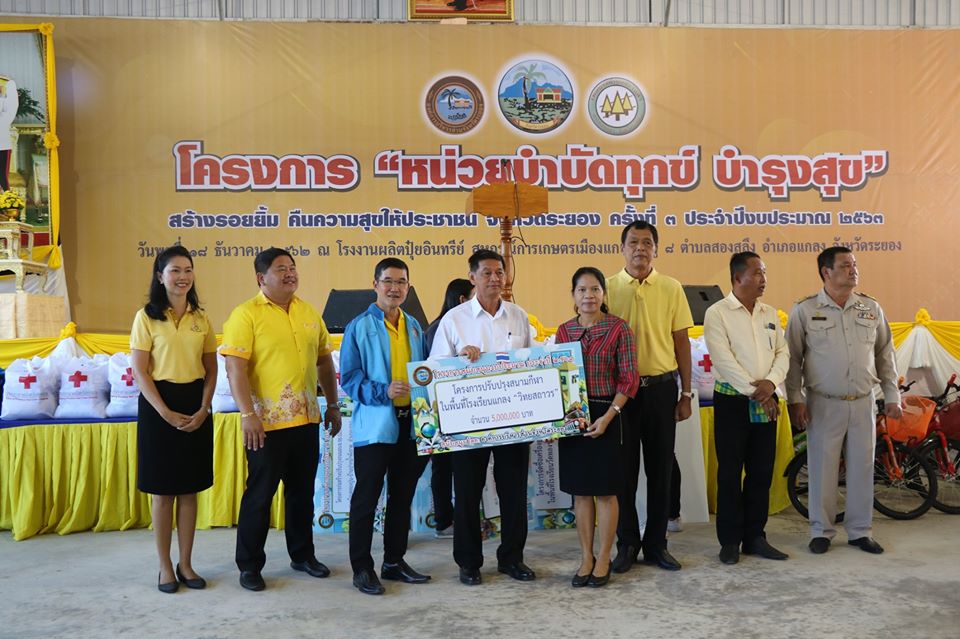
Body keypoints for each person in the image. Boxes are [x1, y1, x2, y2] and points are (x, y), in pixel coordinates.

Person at [222, 247, 342, 591]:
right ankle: (249, 565)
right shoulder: (245, 314)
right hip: (265, 425)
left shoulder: (308, 312)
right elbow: (235, 368)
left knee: (302, 494)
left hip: (306, 420)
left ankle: (302, 555)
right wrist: (248, 414)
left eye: (292, 267)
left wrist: (333, 404)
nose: (290, 273)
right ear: (262, 278)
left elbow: (324, 361)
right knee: (260, 496)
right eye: (280, 269)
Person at [429, 249, 535, 586]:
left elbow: (534, 364)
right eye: (486, 273)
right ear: (472, 277)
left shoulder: (519, 316)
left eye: (499, 272)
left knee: (514, 492)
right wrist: (459, 360)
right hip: (468, 425)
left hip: (513, 419)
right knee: (467, 492)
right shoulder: (454, 319)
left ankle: (512, 558)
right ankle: (469, 562)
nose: (494, 278)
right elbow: (433, 370)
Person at [786, 247, 901, 556]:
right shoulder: (805, 310)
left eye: (855, 265)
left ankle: (860, 531)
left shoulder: (871, 307)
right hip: (823, 403)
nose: (853, 270)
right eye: (846, 266)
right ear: (827, 272)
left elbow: (885, 354)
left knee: (862, 468)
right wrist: (795, 400)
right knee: (822, 469)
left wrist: (892, 395)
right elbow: (793, 360)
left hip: (863, 401)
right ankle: (821, 531)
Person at [340, 258, 432, 596]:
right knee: (366, 498)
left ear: (408, 287)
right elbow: (349, 379)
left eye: (401, 282)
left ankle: (394, 561)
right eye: (388, 281)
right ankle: (362, 568)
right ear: (375, 284)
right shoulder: (358, 326)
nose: (395, 288)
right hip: (376, 426)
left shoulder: (414, 325)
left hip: (411, 425)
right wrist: (383, 391)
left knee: (401, 496)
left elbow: (426, 370)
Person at [607, 220, 694, 573]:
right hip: (621, 396)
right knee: (623, 472)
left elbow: (681, 342)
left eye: (647, 243)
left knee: (661, 470)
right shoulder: (607, 288)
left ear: (656, 249)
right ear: (622, 249)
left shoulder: (672, 288)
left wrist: (686, 393)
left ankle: (657, 544)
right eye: (633, 242)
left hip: (661, 390)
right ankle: (627, 543)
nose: (640, 248)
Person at [130, 245, 217, 594]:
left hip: (195, 404)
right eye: (175, 271)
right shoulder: (146, 317)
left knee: (190, 490)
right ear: (160, 276)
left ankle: (186, 563)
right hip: (158, 406)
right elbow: (140, 371)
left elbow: (211, 370)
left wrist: (204, 408)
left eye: (188, 270)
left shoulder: (201, 318)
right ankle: (165, 567)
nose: (183, 277)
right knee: (163, 492)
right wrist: (164, 412)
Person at [703, 252, 790, 565]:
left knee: (761, 471)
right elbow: (723, 360)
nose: (762, 279)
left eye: (764, 272)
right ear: (737, 278)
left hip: (766, 400)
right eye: (756, 273)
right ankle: (729, 541)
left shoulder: (769, 313)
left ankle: (755, 537)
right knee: (729, 473)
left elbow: (783, 353)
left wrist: (771, 384)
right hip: (732, 402)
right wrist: (759, 392)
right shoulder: (717, 313)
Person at [555, 267, 638, 588]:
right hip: (574, 417)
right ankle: (585, 557)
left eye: (594, 289)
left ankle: (604, 556)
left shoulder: (619, 328)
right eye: (581, 290)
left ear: (603, 294)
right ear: (573, 295)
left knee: (605, 492)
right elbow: (557, 378)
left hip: (608, 415)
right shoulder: (564, 331)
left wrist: (608, 416)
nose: (588, 296)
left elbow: (629, 379)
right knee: (581, 493)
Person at [425, 278, 474, 539]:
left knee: (455, 469)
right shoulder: (440, 327)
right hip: (443, 407)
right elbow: (435, 368)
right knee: (443, 467)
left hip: (462, 408)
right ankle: (444, 520)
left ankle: (455, 520)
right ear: (463, 300)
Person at [0, 76, 18, 191]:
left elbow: (11, 107)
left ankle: (6, 201)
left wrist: (2, 96)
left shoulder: (7, 83)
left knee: (2, 179)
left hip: (1, 145)